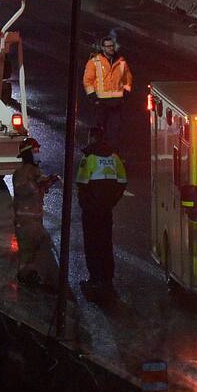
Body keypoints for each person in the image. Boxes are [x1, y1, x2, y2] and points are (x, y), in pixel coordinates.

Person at [75, 126, 127, 303]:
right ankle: (107, 279)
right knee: (106, 243)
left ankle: (95, 279)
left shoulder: (88, 158)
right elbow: (122, 182)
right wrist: (111, 202)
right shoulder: (114, 157)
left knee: (92, 244)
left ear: (91, 138)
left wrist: (86, 205)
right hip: (106, 210)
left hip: (91, 211)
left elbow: (82, 184)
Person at [12, 137, 60, 289]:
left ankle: (32, 275)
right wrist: (40, 185)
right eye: (35, 151)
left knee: (35, 249)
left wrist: (47, 182)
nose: (38, 154)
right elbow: (25, 191)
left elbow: (40, 186)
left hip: (35, 218)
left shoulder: (35, 171)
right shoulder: (20, 173)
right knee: (30, 250)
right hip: (25, 219)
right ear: (28, 154)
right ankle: (28, 277)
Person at [82, 35, 132, 146]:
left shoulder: (121, 62)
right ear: (103, 48)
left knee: (115, 131)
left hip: (116, 102)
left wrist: (125, 95)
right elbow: (87, 81)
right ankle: (100, 151)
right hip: (101, 102)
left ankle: (113, 153)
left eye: (112, 46)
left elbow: (127, 79)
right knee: (100, 130)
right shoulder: (94, 62)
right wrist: (93, 98)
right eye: (108, 46)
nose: (111, 48)